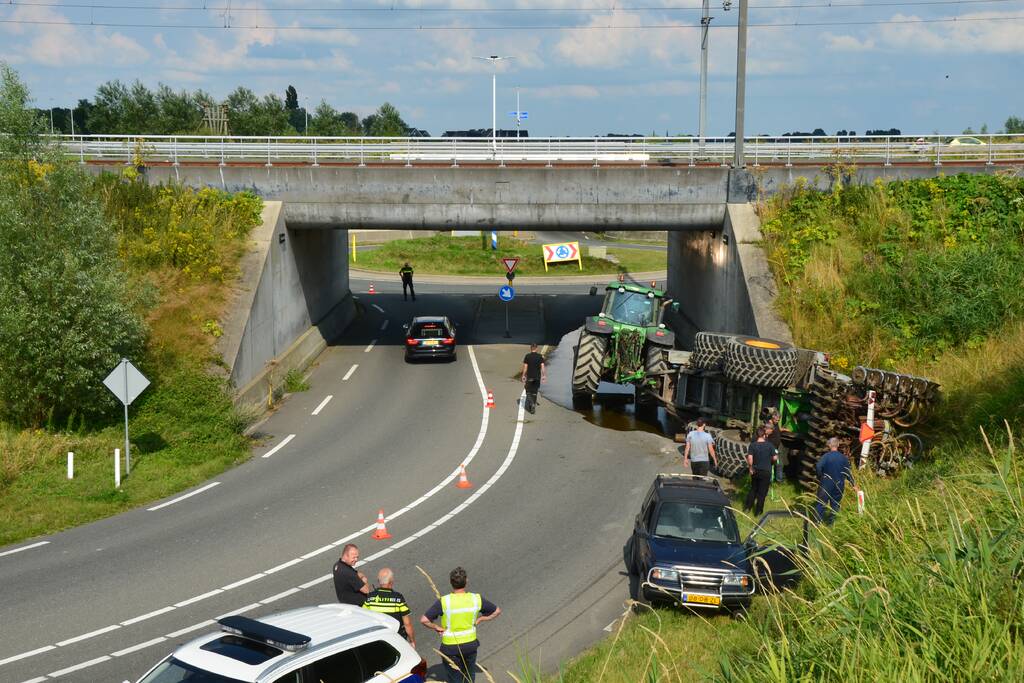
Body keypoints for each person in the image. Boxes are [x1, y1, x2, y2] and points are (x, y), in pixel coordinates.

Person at [420, 566, 501, 683]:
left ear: (451, 582)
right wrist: (481, 619)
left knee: (455, 679)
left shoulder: (444, 601)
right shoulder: (476, 599)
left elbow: (424, 620)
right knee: (469, 675)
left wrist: (436, 627)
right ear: (466, 581)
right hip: (470, 645)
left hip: (450, 647)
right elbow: (497, 611)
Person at [363, 568, 416, 648]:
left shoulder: (370, 598)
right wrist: (412, 641)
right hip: (397, 639)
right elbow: (407, 624)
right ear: (391, 582)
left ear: (379, 581)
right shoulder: (398, 598)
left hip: (377, 640)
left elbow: (364, 617)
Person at [815, 437, 859, 525]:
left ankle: (817, 523)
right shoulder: (843, 458)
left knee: (821, 503)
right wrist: (853, 485)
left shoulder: (826, 456)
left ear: (829, 445)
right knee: (835, 504)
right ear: (838, 445)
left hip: (826, 483)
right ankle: (831, 523)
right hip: (839, 484)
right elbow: (848, 472)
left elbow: (818, 467)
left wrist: (821, 476)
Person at [743, 427, 777, 516]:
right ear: (764, 435)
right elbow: (775, 458)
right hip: (766, 471)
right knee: (762, 493)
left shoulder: (753, 445)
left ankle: (747, 508)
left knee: (753, 489)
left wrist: (750, 468)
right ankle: (758, 512)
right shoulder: (770, 445)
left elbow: (750, 458)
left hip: (755, 470)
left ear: (756, 435)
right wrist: (772, 462)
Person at [520, 344, 546, 414]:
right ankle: (533, 405)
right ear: (536, 348)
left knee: (528, 390)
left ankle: (532, 404)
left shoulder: (527, 356)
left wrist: (523, 375)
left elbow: (525, 367)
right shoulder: (540, 357)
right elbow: (543, 367)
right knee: (534, 392)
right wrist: (543, 376)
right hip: (537, 377)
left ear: (531, 348)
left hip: (530, 377)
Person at [765, 409, 787, 482]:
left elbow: (778, 429)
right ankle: (770, 480)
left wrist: (784, 430)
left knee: (780, 464)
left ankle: (779, 479)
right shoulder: (769, 425)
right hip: (772, 447)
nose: (777, 421)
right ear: (772, 417)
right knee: (770, 464)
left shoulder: (775, 424)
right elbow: (766, 436)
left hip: (778, 446)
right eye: (776, 420)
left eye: (778, 420)